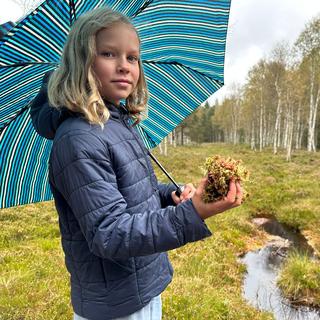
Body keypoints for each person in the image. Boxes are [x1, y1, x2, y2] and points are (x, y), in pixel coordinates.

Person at [30, 7, 243, 320]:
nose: (124, 66)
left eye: (132, 57)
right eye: (108, 53)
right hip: (115, 306)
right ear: (82, 62)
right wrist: (191, 214)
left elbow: (132, 191)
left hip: (140, 286)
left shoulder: (118, 122)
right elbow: (109, 232)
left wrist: (169, 195)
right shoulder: (78, 138)